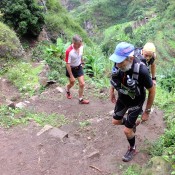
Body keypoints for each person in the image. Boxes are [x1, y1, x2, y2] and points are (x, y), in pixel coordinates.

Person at [109, 42, 155, 162]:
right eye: (116, 61)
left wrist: (147, 111)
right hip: (122, 97)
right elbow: (114, 78)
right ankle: (132, 123)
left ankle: (132, 148)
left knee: (127, 131)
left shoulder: (142, 70)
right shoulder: (118, 64)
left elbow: (152, 90)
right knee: (115, 121)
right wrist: (112, 91)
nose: (117, 64)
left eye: (120, 61)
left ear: (130, 58)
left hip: (136, 102)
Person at [65, 35, 89, 104]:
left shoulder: (81, 47)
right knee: (72, 83)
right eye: (78, 44)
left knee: (82, 84)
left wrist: (82, 61)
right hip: (71, 69)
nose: (80, 45)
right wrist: (71, 76)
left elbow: (80, 55)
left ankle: (81, 99)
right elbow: (67, 64)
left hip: (79, 67)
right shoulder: (69, 51)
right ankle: (67, 89)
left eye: (81, 44)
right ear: (74, 43)